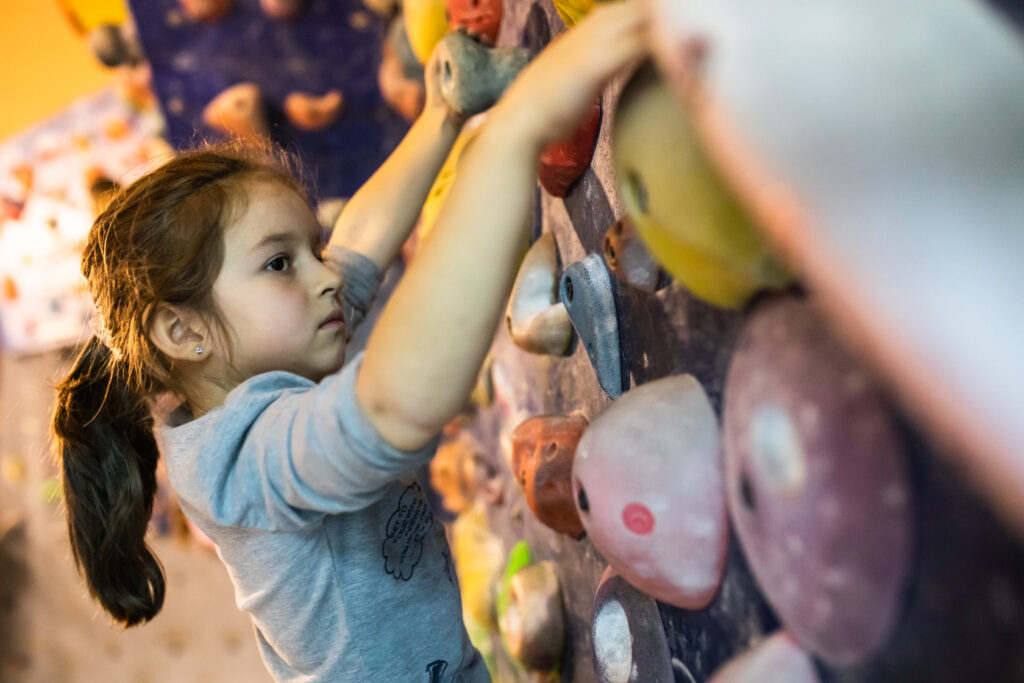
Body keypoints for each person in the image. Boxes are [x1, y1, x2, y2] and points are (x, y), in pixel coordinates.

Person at [51, 4, 647, 681]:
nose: (325, 275)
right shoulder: (238, 456)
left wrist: (442, 115)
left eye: (311, 248)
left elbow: (355, 250)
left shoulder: (252, 358)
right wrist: (512, 138)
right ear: (183, 331)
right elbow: (392, 410)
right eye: (281, 262)